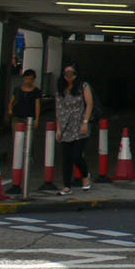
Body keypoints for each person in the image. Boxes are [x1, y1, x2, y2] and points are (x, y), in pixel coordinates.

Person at [55, 63, 94, 194]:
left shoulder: (83, 86)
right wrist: (58, 128)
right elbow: (59, 109)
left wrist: (85, 122)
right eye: (66, 74)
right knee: (66, 157)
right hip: (66, 125)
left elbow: (89, 104)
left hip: (79, 124)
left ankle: (85, 175)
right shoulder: (61, 88)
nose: (68, 77)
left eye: (71, 73)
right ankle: (67, 186)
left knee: (77, 155)